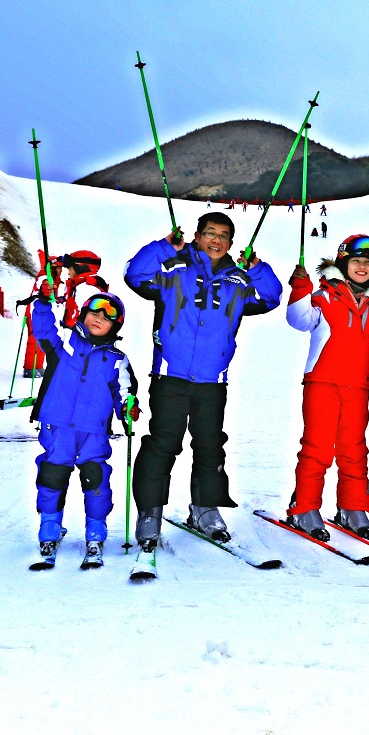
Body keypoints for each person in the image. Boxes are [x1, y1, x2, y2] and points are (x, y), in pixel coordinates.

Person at [123, 213, 282, 549]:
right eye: (210, 233)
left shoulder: (238, 280)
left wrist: (256, 268)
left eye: (224, 236)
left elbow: (270, 298)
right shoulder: (172, 268)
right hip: (171, 374)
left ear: (231, 243)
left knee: (209, 445)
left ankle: (205, 508)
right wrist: (166, 248)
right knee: (163, 444)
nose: (216, 240)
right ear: (196, 235)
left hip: (212, 379)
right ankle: (149, 511)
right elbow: (134, 274)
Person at [284, 236, 369, 539]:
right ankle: (305, 507)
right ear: (343, 263)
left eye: (368, 263)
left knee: (354, 449)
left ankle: (352, 507)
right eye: (356, 261)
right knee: (318, 447)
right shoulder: (325, 296)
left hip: (357, 386)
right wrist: (300, 287)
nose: (362, 267)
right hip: (322, 381)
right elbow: (298, 320)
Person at [29, 289, 138, 567]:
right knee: (53, 476)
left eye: (107, 316)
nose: (99, 318)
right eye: (94, 312)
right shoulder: (64, 341)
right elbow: (43, 329)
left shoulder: (117, 359)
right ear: (83, 313)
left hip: (94, 432)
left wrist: (128, 409)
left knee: (95, 478)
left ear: (116, 325)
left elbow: (124, 392)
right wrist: (42, 303)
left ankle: (95, 531)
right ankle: (50, 529)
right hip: (58, 427)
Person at [58, 251, 109, 328]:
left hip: (72, 338)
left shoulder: (87, 289)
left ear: (80, 267)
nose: (68, 272)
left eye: (69, 268)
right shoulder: (79, 287)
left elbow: (80, 322)